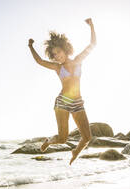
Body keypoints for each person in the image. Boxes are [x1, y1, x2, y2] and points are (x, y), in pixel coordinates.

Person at [28, 18, 96, 165]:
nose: (57, 56)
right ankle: (49, 141)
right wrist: (30, 46)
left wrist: (91, 25)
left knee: (87, 137)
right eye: (54, 55)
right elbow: (39, 61)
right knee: (62, 138)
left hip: (78, 102)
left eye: (58, 52)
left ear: (65, 49)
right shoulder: (58, 67)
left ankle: (75, 152)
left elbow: (92, 44)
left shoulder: (78, 60)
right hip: (62, 102)